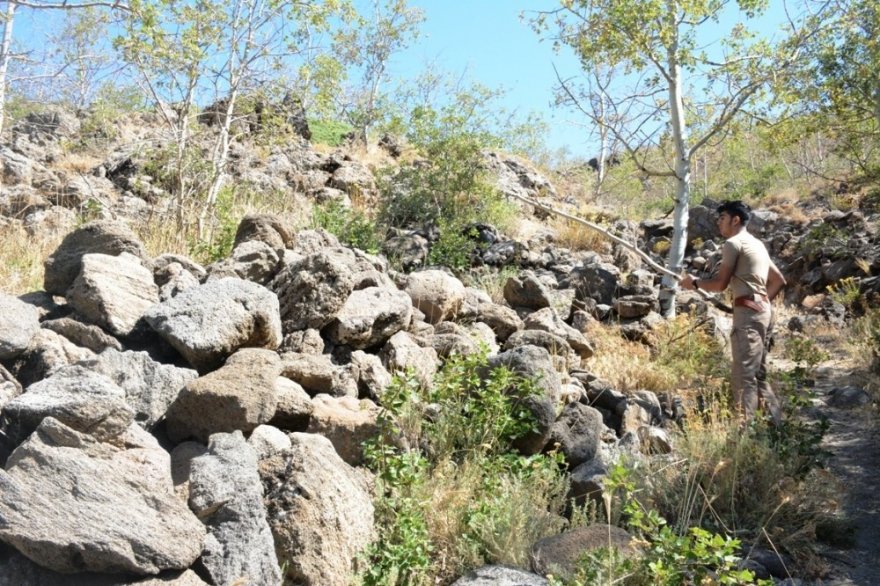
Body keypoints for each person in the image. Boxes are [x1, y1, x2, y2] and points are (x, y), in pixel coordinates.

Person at [679, 201, 787, 424]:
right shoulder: (757, 244)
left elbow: (720, 284)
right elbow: (778, 281)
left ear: (735, 220)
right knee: (759, 374)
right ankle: (777, 428)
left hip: (749, 315)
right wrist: (760, 302)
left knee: (743, 376)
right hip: (764, 312)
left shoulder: (733, 243)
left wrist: (695, 283)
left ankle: (745, 433)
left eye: (722, 218)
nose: (718, 223)